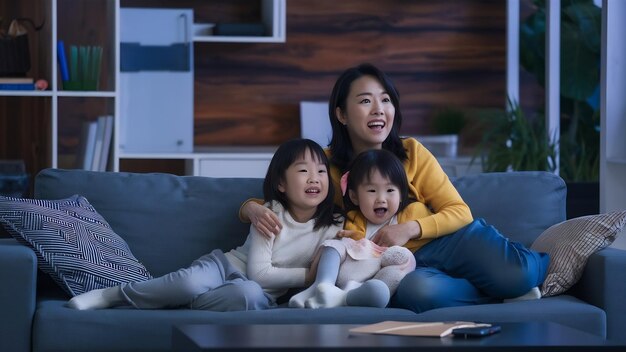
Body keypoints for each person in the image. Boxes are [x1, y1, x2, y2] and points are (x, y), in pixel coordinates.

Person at [242, 63, 549, 313]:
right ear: (341, 114)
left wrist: (410, 229)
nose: (379, 109)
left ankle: (541, 260)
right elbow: (279, 196)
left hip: (450, 239)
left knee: (518, 276)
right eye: (365, 100)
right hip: (402, 265)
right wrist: (251, 209)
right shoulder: (325, 165)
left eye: (385, 99)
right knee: (419, 294)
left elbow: (459, 212)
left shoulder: (412, 151)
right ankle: (495, 292)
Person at [67, 138, 344, 311]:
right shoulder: (270, 212)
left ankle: (174, 300)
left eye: (321, 171)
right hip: (226, 267)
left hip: (258, 293)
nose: (314, 178)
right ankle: (114, 295)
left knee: (248, 297)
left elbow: (353, 246)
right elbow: (258, 272)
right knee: (189, 282)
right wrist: (308, 276)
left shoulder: (333, 226)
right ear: (281, 183)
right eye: (303, 170)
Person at [288, 149, 417, 309]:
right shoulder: (353, 218)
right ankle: (321, 285)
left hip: (366, 285)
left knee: (401, 263)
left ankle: (341, 298)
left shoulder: (410, 215)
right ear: (354, 197)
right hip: (348, 270)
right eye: (371, 191)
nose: (381, 199)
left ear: (402, 195)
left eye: (390, 190)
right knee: (335, 244)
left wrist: (413, 228)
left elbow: (448, 215)